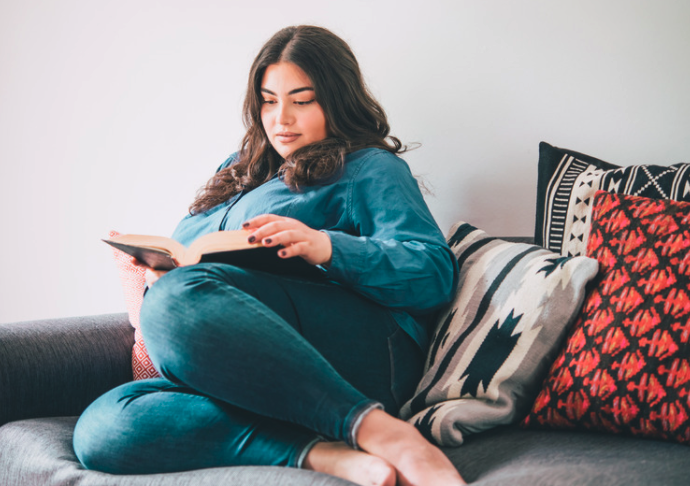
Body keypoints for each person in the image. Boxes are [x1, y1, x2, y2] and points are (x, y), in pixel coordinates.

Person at [73, 25, 465, 486]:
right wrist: (157, 275)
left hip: (357, 355)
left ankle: (379, 430)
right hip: (245, 367)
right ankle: (322, 453)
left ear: (336, 100)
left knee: (178, 297)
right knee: (103, 427)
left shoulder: (368, 168)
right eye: (268, 100)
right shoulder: (234, 172)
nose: (282, 119)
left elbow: (433, 272)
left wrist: (326, 247)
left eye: (302, 101)